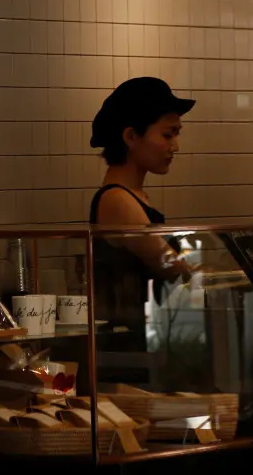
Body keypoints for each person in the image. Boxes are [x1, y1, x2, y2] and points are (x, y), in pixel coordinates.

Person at [88, 77, 195, 342]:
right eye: (167, 134)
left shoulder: (135, 197)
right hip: (129, 346)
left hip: (149, 337)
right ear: (131, 136)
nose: (175, 146)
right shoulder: (117, 201)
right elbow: (169, 265)